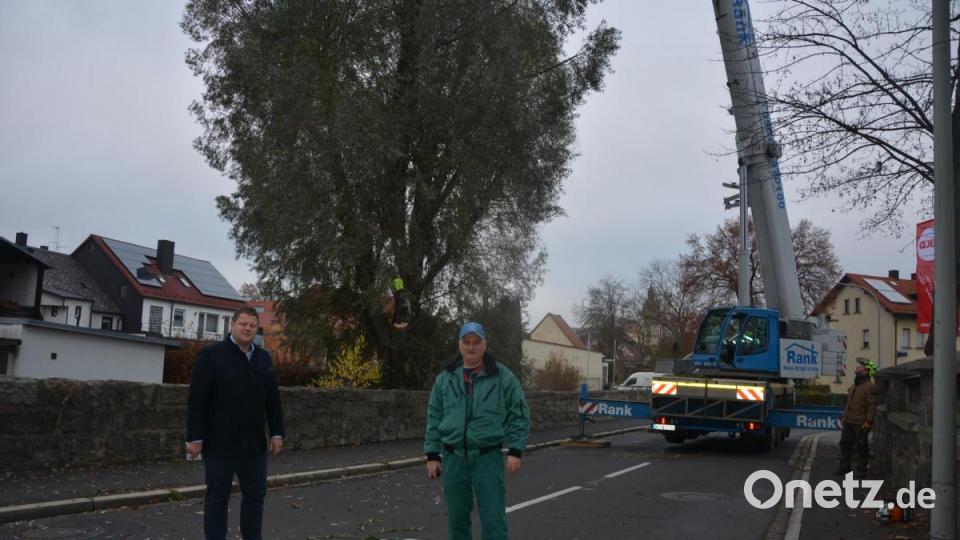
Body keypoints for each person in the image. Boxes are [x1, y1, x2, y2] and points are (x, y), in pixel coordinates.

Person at [186, 306, 285, 540]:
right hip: (220, 444)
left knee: (255, 497)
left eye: (252, 325)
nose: (248, 328)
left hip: (253, 444)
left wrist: (277, 433)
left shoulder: (263, 358)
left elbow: (272, 399)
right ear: (232, 325)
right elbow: (196, 399)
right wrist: (195, 438)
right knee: (217, 499)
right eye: (243, 324)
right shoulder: (211, 356)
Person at [424, 322, 529, 540]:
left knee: (493, 518)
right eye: (466, 342)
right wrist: (432, 455)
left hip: (487, 458)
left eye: (476, 342)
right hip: (454, 459)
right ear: (460, 345)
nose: (471, 347)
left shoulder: (502, 377)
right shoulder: (445, 378)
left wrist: (515, 450)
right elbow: (434, 416)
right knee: (457, 520)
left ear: (484, 345)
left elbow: (519, 413)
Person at [835, 359, 878, 477]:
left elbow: (871, 405)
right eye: (858, 367)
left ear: (866, 371)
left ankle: (861, 470)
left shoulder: (870, 386)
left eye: (860, 367)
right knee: (845, 444)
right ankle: (844, 467)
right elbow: (849, 404)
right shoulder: (854, 386)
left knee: (861, 446)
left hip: (861, 422)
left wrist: (868, 421)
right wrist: (844, 417)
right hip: (849, 420)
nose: (857, 368)